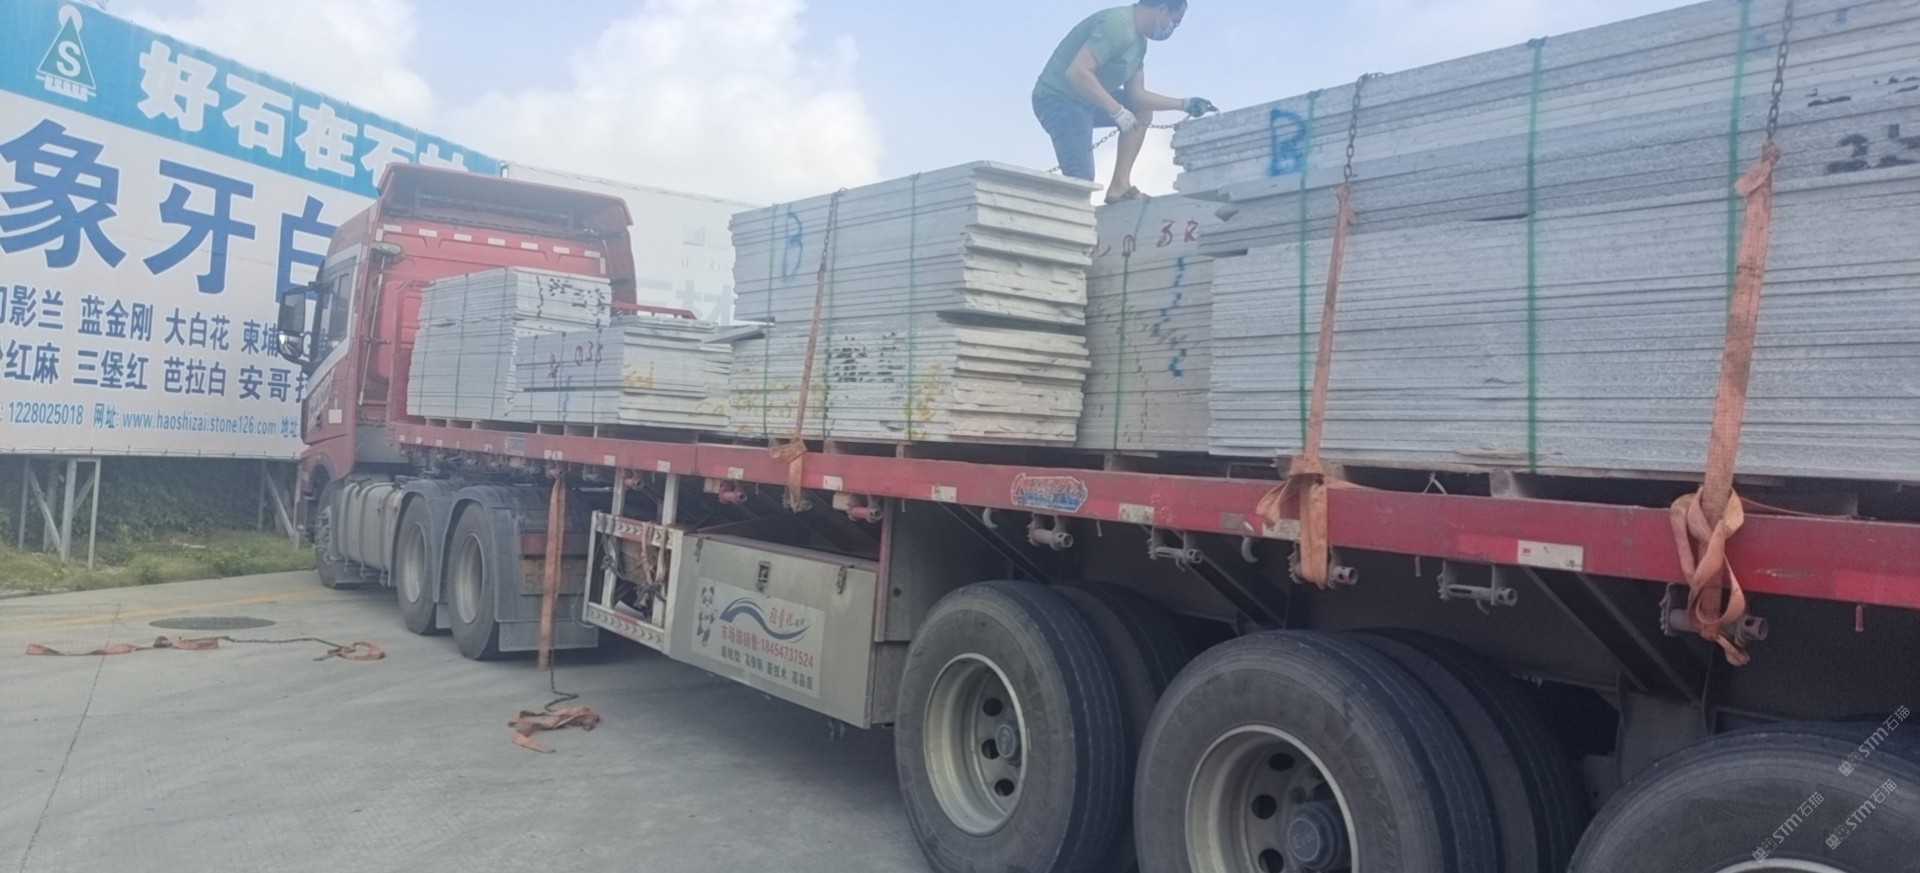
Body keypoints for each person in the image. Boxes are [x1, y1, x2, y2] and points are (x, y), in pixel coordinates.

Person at [1033, 0, 1215, 203]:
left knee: (1141, 110)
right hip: (1059, 100)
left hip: (1088, 100)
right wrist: (1116, 110)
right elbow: (1077, 72)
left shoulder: (1140, 43)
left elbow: (1137, 96)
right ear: (1162, 10)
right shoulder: (1117, 26)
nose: (1172, 29)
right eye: (1175, 22)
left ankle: (1120, 185)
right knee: (1081, 179)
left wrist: (1184, 104)